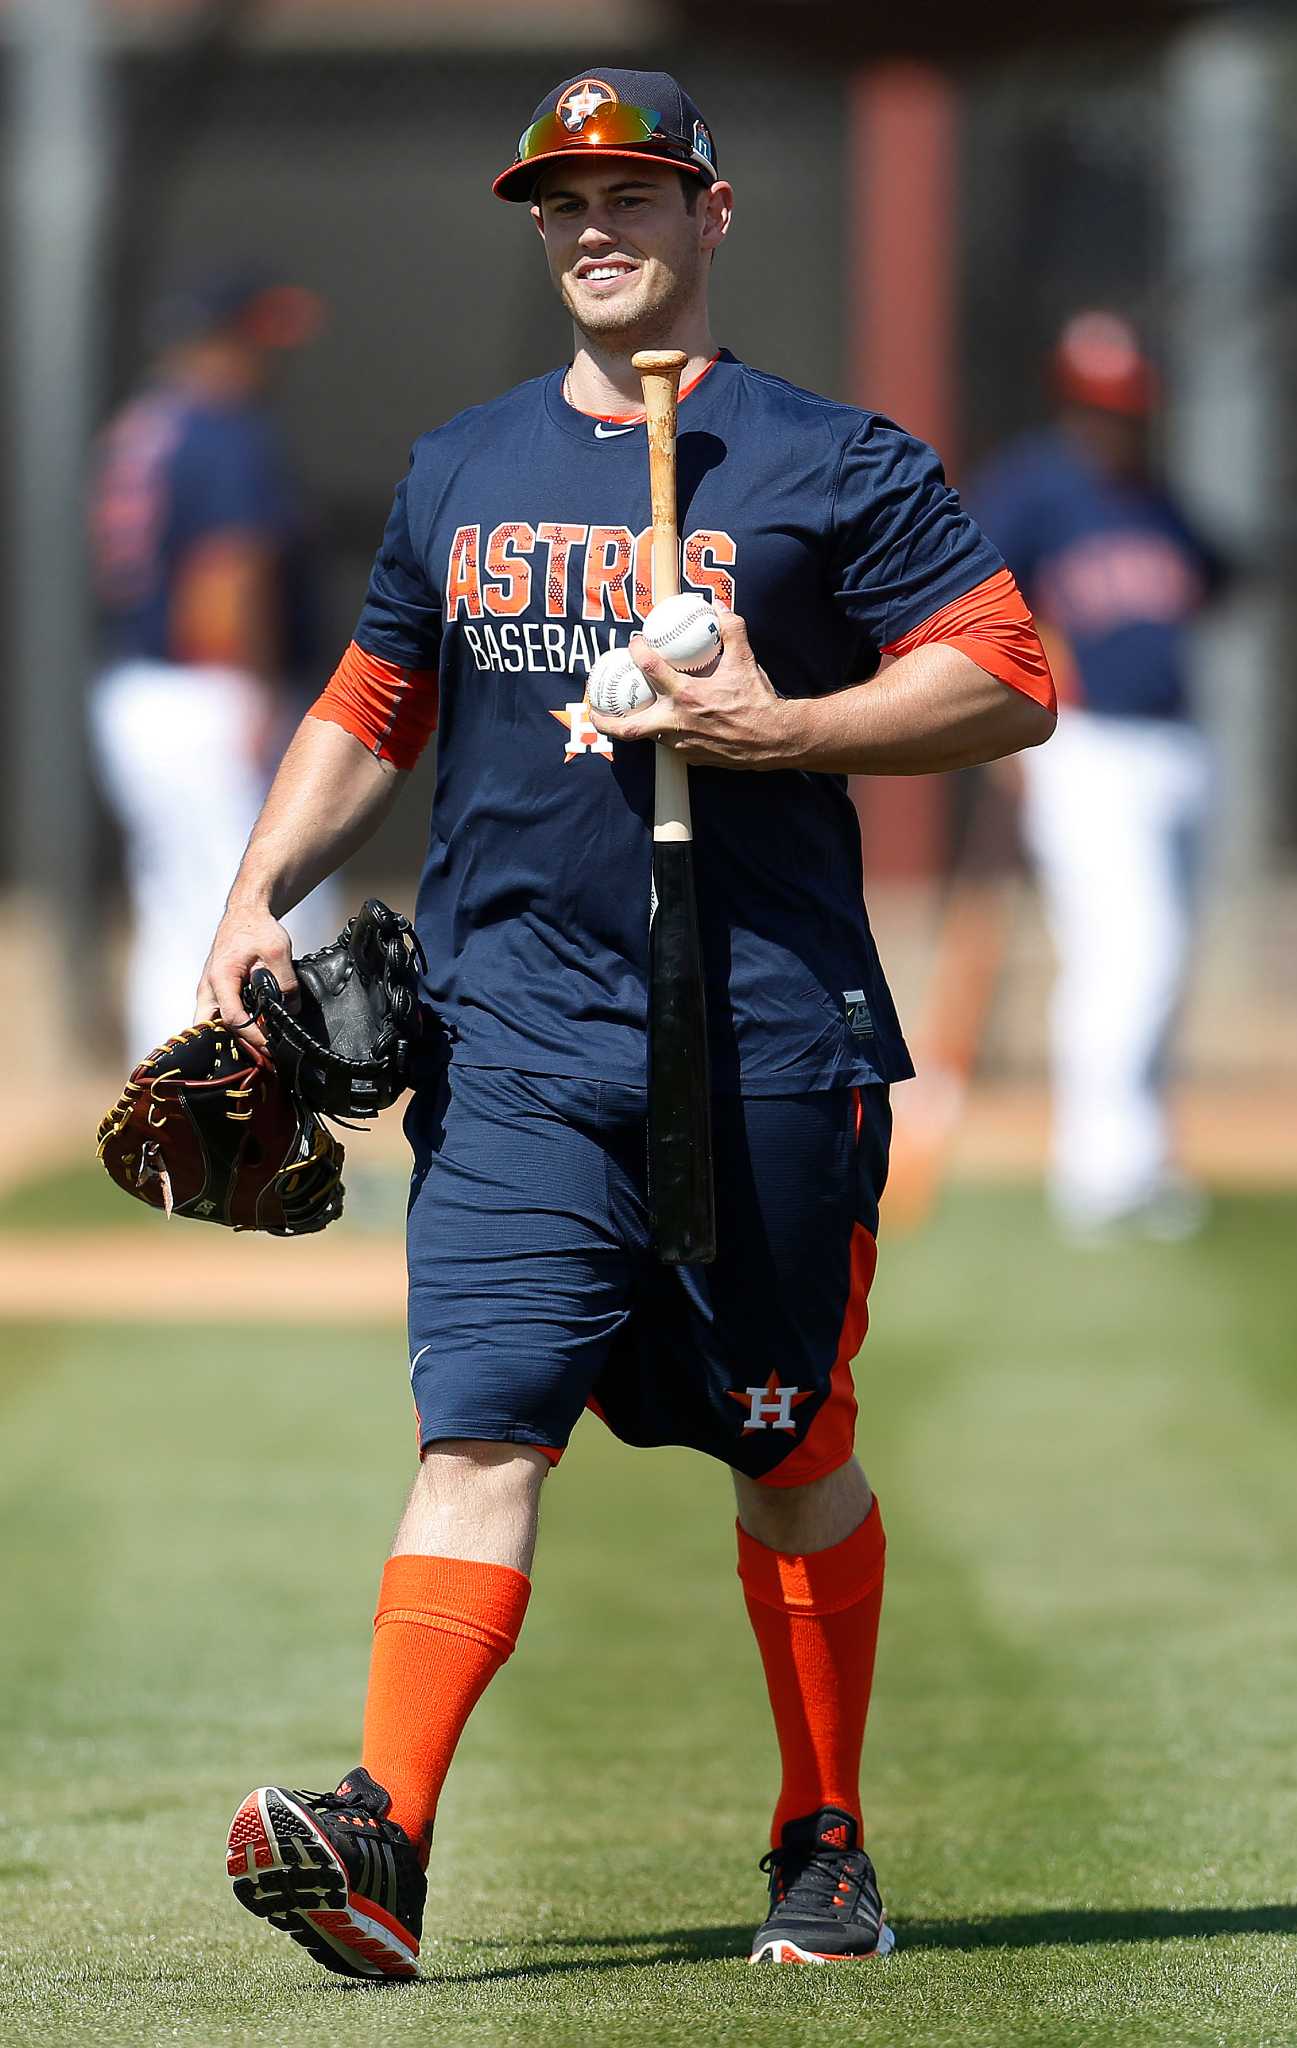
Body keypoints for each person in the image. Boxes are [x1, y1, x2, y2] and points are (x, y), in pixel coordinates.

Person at [204, 68, 1056, 1979]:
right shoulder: (460, 465)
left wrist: (788, 728)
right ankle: (383, 1841)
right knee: (479, 1426)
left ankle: (820, 1832)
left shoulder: (830, 460)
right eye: (561, 201)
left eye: (633, 194)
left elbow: (1007, 678)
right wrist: (258, 891)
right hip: (509, 1039)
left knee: (788, 1443)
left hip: (767, 1038)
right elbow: (370, 698)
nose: (594, 227)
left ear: (711, 214)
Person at [971, 312, 1225, 1239]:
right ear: (1071, 400)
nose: (1111, 421)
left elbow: (1217, 574)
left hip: (1174, 744)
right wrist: (1011, 722)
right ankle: (1099, 1171)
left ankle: (1142, 1157)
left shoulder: (1152, 497)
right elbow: (973, 595)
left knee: (1165, 959)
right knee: (1128, 953)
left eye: (1124, 405)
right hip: (1084, 748)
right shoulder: (1034, 488)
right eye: (1097, 403)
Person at [88, 270, 336, 1062]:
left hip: (142, 688)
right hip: (211, 689)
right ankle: (247, 1103)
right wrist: (251, 692)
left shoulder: (146, 426)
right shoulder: (225, 429)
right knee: (270, 901)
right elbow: (228, 574)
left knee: (178, 901)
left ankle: (164, 1093)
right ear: (219, 341)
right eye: (255, 339)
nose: (268, 359)